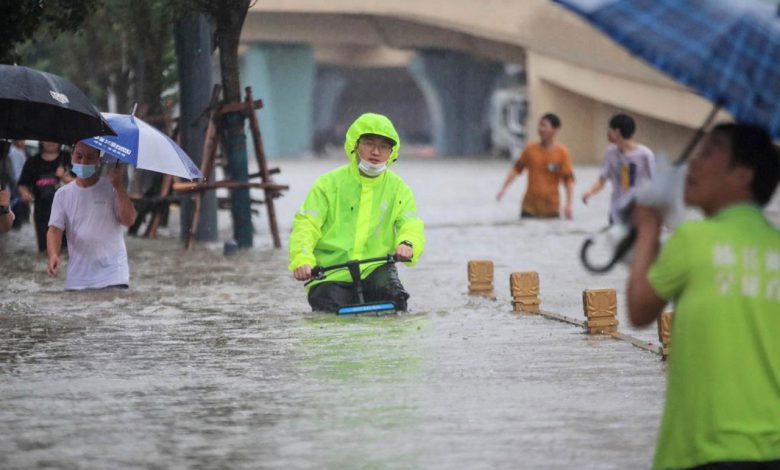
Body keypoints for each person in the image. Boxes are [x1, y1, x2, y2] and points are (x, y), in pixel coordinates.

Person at [627, 123, 780, 469]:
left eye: (711, 151)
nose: (694, 163)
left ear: (743, 175)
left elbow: (639, 309)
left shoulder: (694, 239)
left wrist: (649, 227)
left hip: (704, 451)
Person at [289, 112, 425, 312]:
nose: (376, 152)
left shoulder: (398, 188)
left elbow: (410, 223)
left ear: (392, 152)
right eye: (369, 143)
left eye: (384, 146)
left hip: (376, 268)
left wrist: (407, 243)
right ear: (355, 144)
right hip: (330, 272)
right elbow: (306, 224)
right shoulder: (328, 184)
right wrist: (302, 260)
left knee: (397, 302)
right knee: (329, 314)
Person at [47, 142, 137, 290]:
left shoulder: (111, 187)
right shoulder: (62, 195)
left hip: (113, 275)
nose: (83, 162)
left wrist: (119, 187)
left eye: (89, 157)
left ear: (98, 160)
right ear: (72, 157)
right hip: (77, 278)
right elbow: (55, 229)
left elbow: (129, 220)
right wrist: (53, 254)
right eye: (79, 156)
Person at [496, 113, 575, 219]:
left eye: (544, 126)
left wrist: (569, 204)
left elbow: (568, 180)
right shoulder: (530, 149)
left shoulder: (562, 153)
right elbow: (516, 169)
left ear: (555, 129)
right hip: (529, 209)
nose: (541, 129)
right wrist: (504, 189)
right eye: (540, 125)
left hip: (551, 209)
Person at [582, 113, 656, 224]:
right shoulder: (611, 152)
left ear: (617, 132)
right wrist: (590, 192)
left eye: (610, 130)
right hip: (616, 212)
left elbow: (657, 184)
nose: (607, 133)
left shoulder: (645, 155)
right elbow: (603, 178)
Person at [17, 141, 69, 252]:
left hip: (67, 212)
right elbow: (23, 184)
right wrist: (25, 194)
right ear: (40, 141)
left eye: (54, 139)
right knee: (45, 248)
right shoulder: (32, 161)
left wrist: (65, 178)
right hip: (42, 211)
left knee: (67, 249)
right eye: (46, 139)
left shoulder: (69, 158)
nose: (51, 142)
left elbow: (83, 182)